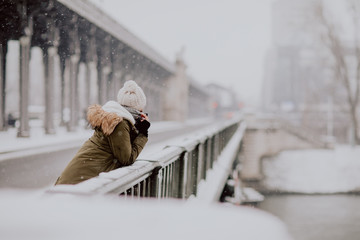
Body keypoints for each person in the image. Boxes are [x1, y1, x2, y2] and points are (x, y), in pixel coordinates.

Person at [55, 80, 150, 185]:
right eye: (141, 109)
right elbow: (127, 159)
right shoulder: (120, 124)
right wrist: (143, 133)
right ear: (138, 109)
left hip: (75, 180)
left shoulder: (118, 120)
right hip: (77, 183)